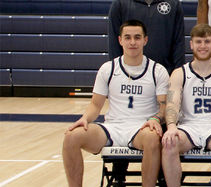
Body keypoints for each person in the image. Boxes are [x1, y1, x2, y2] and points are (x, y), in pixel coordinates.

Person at [62, 20, 169, 187]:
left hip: (141, 128)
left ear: (145, 40)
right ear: (120, 40)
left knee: (152, 138)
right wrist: (85, 118)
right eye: (127, 37)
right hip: (112, 128)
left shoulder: (158, 71)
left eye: (137, 37)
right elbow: (95, 105)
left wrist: (155, 119)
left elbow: (164, 107)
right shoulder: (108, 69)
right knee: (71, 137)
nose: (132, 42)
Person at [161, 24, 211, 187]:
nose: (203, 46)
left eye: (207, 41)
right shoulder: (179, 73)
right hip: (189, 127)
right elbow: (171, 105)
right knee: (169, 143)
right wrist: (170, 126)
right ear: (191, 44)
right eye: (198, 42)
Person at [108, 0, 185, 75]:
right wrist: (117, 74)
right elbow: (114, 45)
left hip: (165, 76)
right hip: (129, 76)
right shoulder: (120, 4)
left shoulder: (174, 5)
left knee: (171, 95)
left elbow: (179, 45)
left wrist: (177, 76)